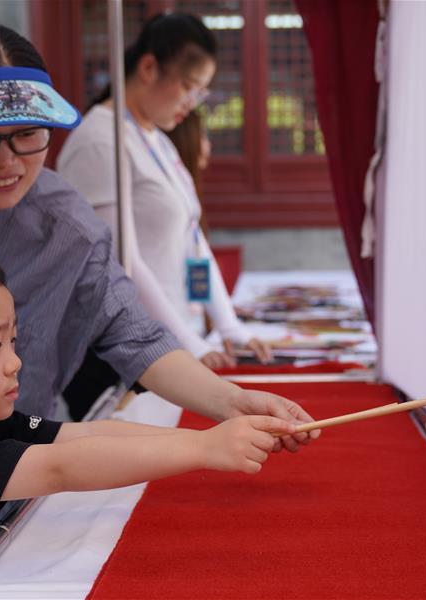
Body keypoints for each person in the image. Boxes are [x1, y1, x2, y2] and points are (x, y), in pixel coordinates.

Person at [0, 22, 316, 446]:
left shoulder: (67, 228)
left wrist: (229, 401)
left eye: (28, 135)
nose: (7, 163)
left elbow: (133, 333)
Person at [0, 236, 296, 599]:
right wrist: (206, 448)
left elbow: (81, 437)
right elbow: (62, 467)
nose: (15, 363)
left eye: (13, 342)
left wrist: (213, 432)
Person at [57, 12, 272, 370]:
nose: (193, 102)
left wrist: (228, 326)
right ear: (148, 68)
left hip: (173, 342)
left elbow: (193, 241)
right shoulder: (100, 141)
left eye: (201, 91)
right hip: (129, 350)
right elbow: (121, 260)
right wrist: (187, 345)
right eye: (189, 86)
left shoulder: (156, 139)